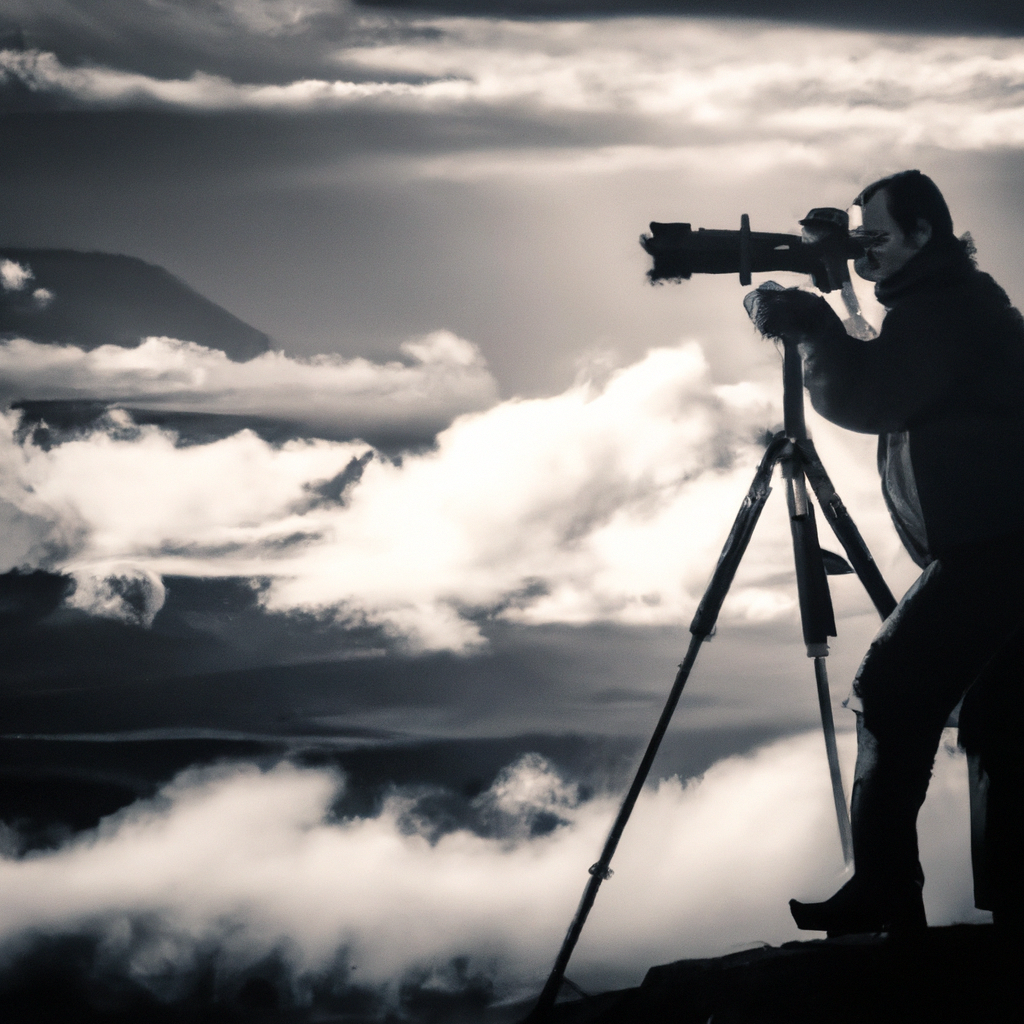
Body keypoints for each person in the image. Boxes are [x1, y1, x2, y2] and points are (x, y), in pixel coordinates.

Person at [753, 170, 1024, 935]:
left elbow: (876, 395)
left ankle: (885, 890)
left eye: (875, 236)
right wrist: (834, 301)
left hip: (998, 550)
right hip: (999, 544)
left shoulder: (946, 310)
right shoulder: (947, 303)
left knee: (894, 690)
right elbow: (886, 361)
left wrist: (811, 332)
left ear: (922, 235)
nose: (864, 250)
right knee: (1005, 721)